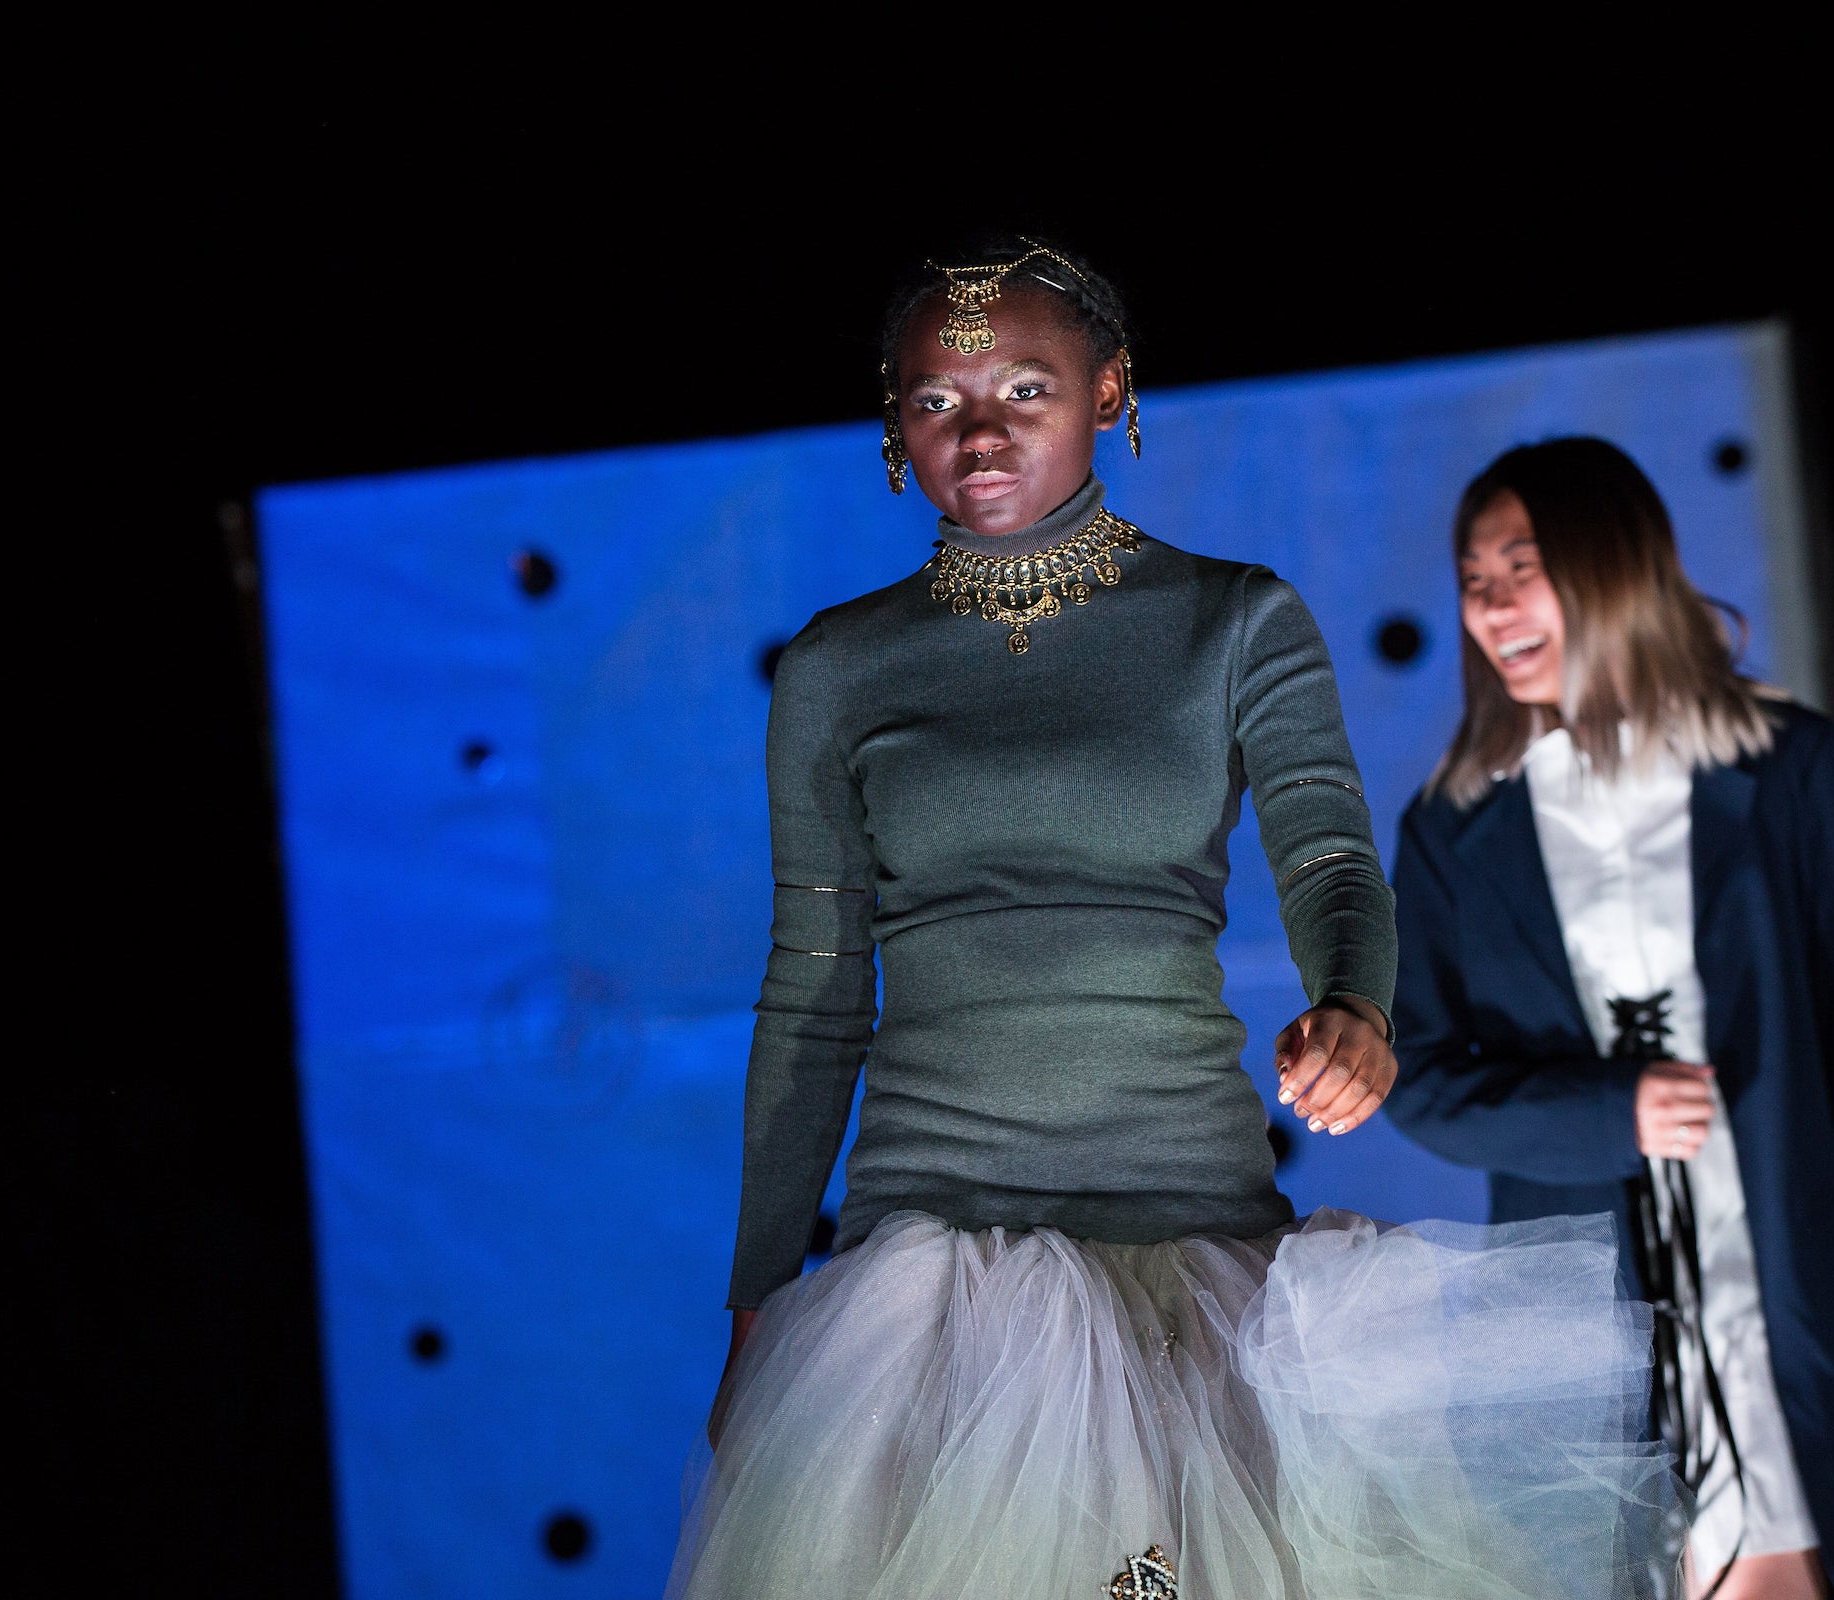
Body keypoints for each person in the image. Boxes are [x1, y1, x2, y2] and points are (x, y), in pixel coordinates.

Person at [669, 243, 1674, 1599]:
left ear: (1111, 392)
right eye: (932, 399)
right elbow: (814, 985)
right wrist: (756, 1306)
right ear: (893, 433)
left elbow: (1330, 863)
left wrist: (1358, 1010)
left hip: (1191, 1243)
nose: (977, 430)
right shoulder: (840, 666)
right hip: (926, 1278)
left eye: (1026, 386)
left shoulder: (1234, 621)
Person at [1385, 437, 1834, 1599]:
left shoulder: (1787, 767)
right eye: (1473, 578)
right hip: (1586, 1310)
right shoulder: (1452, 828)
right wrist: (1612, 1112)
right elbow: (1415, 1078)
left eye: (1524, 565)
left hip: (1791, 1277)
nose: (1491, 603)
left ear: (1613, 567)